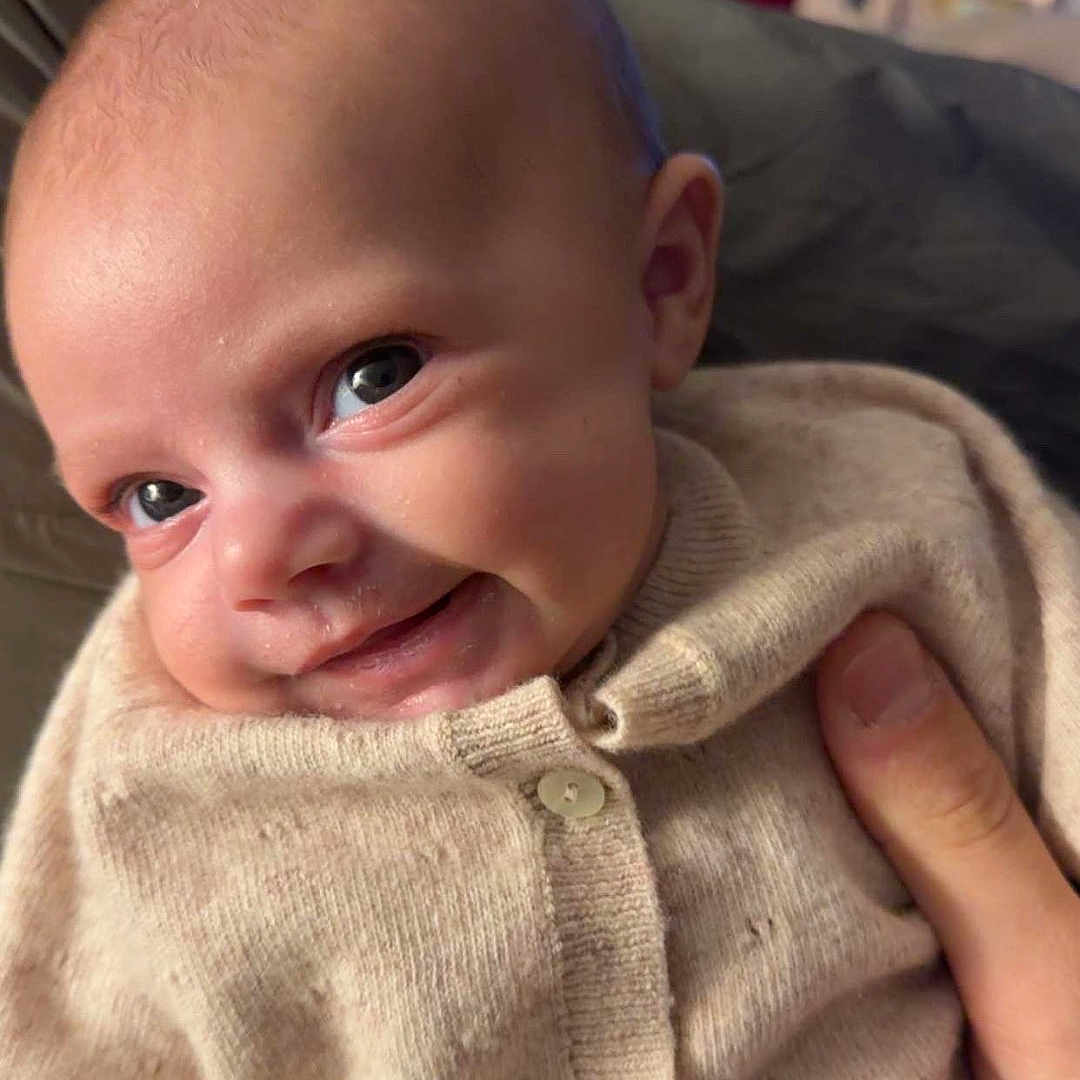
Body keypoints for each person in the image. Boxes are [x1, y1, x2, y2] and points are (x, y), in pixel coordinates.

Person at [0, 0, 1076, 1076]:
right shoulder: (141, 768)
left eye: (372, 377)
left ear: (660, 281)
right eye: (154, 497)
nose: (258, 560)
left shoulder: (876, 498)